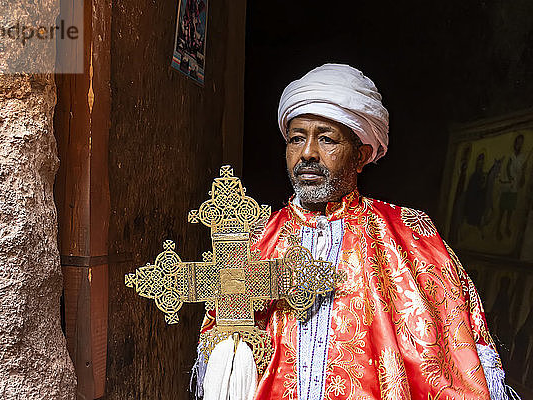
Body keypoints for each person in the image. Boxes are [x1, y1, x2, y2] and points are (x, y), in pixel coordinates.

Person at [193, 64, 516, 400]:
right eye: (297, 139)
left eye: (326, 139)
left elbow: (455, 352)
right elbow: (223, 355)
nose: (307, 154)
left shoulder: (410, 235)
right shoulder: (255, 239)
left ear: (361, 156)